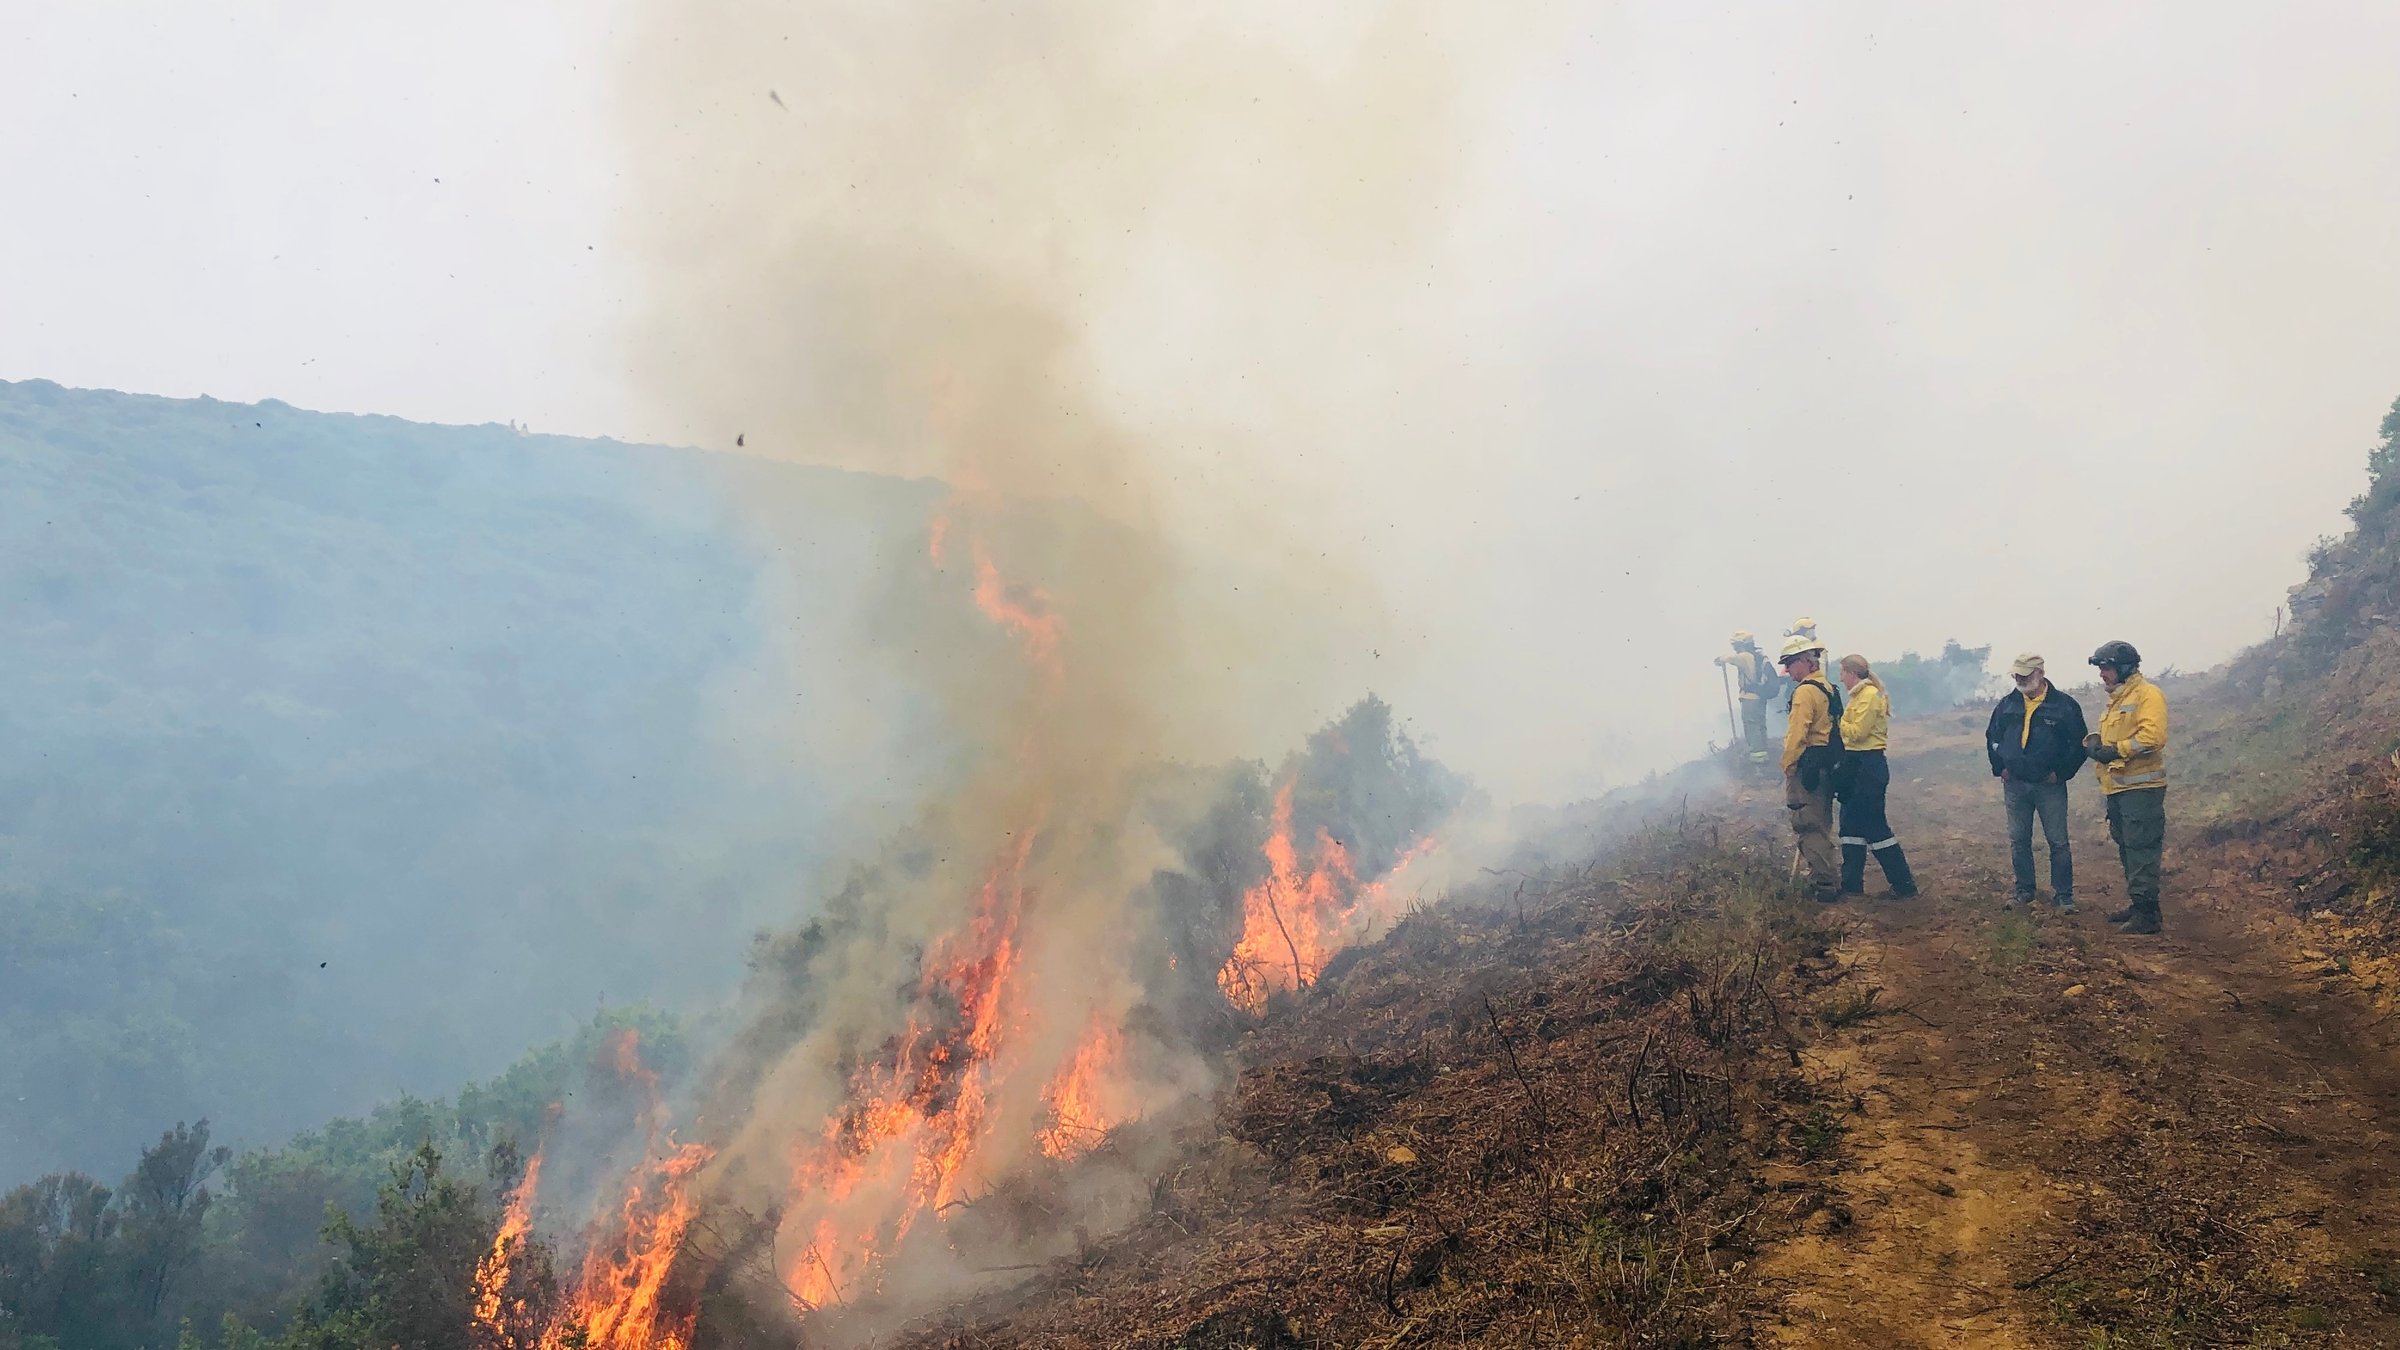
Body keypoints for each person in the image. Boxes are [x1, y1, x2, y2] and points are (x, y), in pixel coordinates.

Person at [1985, 653, 2089, 912]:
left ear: (2040, 673)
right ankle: (2024, 891)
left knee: (2058, 841)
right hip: (2015, 785)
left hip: (2049, 785)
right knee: (2018, 840)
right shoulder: (2007, 705)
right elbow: (1992, 737)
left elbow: (2078, 744)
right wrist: (2001, 768)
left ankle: (2063, 896)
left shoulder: (2064, 706)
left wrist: (2061, 773)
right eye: (2017, 674)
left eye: (2026, 674)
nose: (2020, 678)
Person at [2084, 640, 2168, 934]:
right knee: (2128, 846)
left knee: (2141, 847)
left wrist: (2116, 750)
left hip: (2141, 790)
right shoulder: (2119, 698)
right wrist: (2098, 746)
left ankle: (2147, 913)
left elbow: (2151, 738)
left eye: (2106, 668)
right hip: (2119, 789)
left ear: (2123, 668)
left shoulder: (2148, 695)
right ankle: (2139, 903)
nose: (2102, 674)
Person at [1834, 654, 1918, 897]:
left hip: (1868, 766)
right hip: (1855, 764)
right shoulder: (1857, 697)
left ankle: (1904, 886)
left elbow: (1857, 733)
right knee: (1849, 826)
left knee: (1875, 826)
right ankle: (1851, 885)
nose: (1840, 678)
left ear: (1852, 673)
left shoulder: (1868, 697)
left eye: (1842, 673)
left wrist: (1838, 723)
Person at [1778, 634, 1842, 903]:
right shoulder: (1828, 687)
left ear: (1804, 662)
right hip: (1827, 764)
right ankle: (1824, 875)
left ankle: (1824, 885)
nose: (1788, 672)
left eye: (1791, 665)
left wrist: (1788, 764)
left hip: (1808, 767)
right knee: (1821, 822)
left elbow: (1797, 734)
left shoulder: (1805, 692)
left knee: (1807, 824)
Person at [1714, 631, 1774, 764]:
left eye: (1735, 644)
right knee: (1760, 725)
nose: (1734, 647)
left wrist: (1719, 659)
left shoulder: (1745, 656)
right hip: (1760, 696)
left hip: (1749, 698)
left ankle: (1757, 757)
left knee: (1751, 725)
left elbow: (1729, 658)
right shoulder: (1758, 655)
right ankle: (1764, 753)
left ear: (1742, 644)